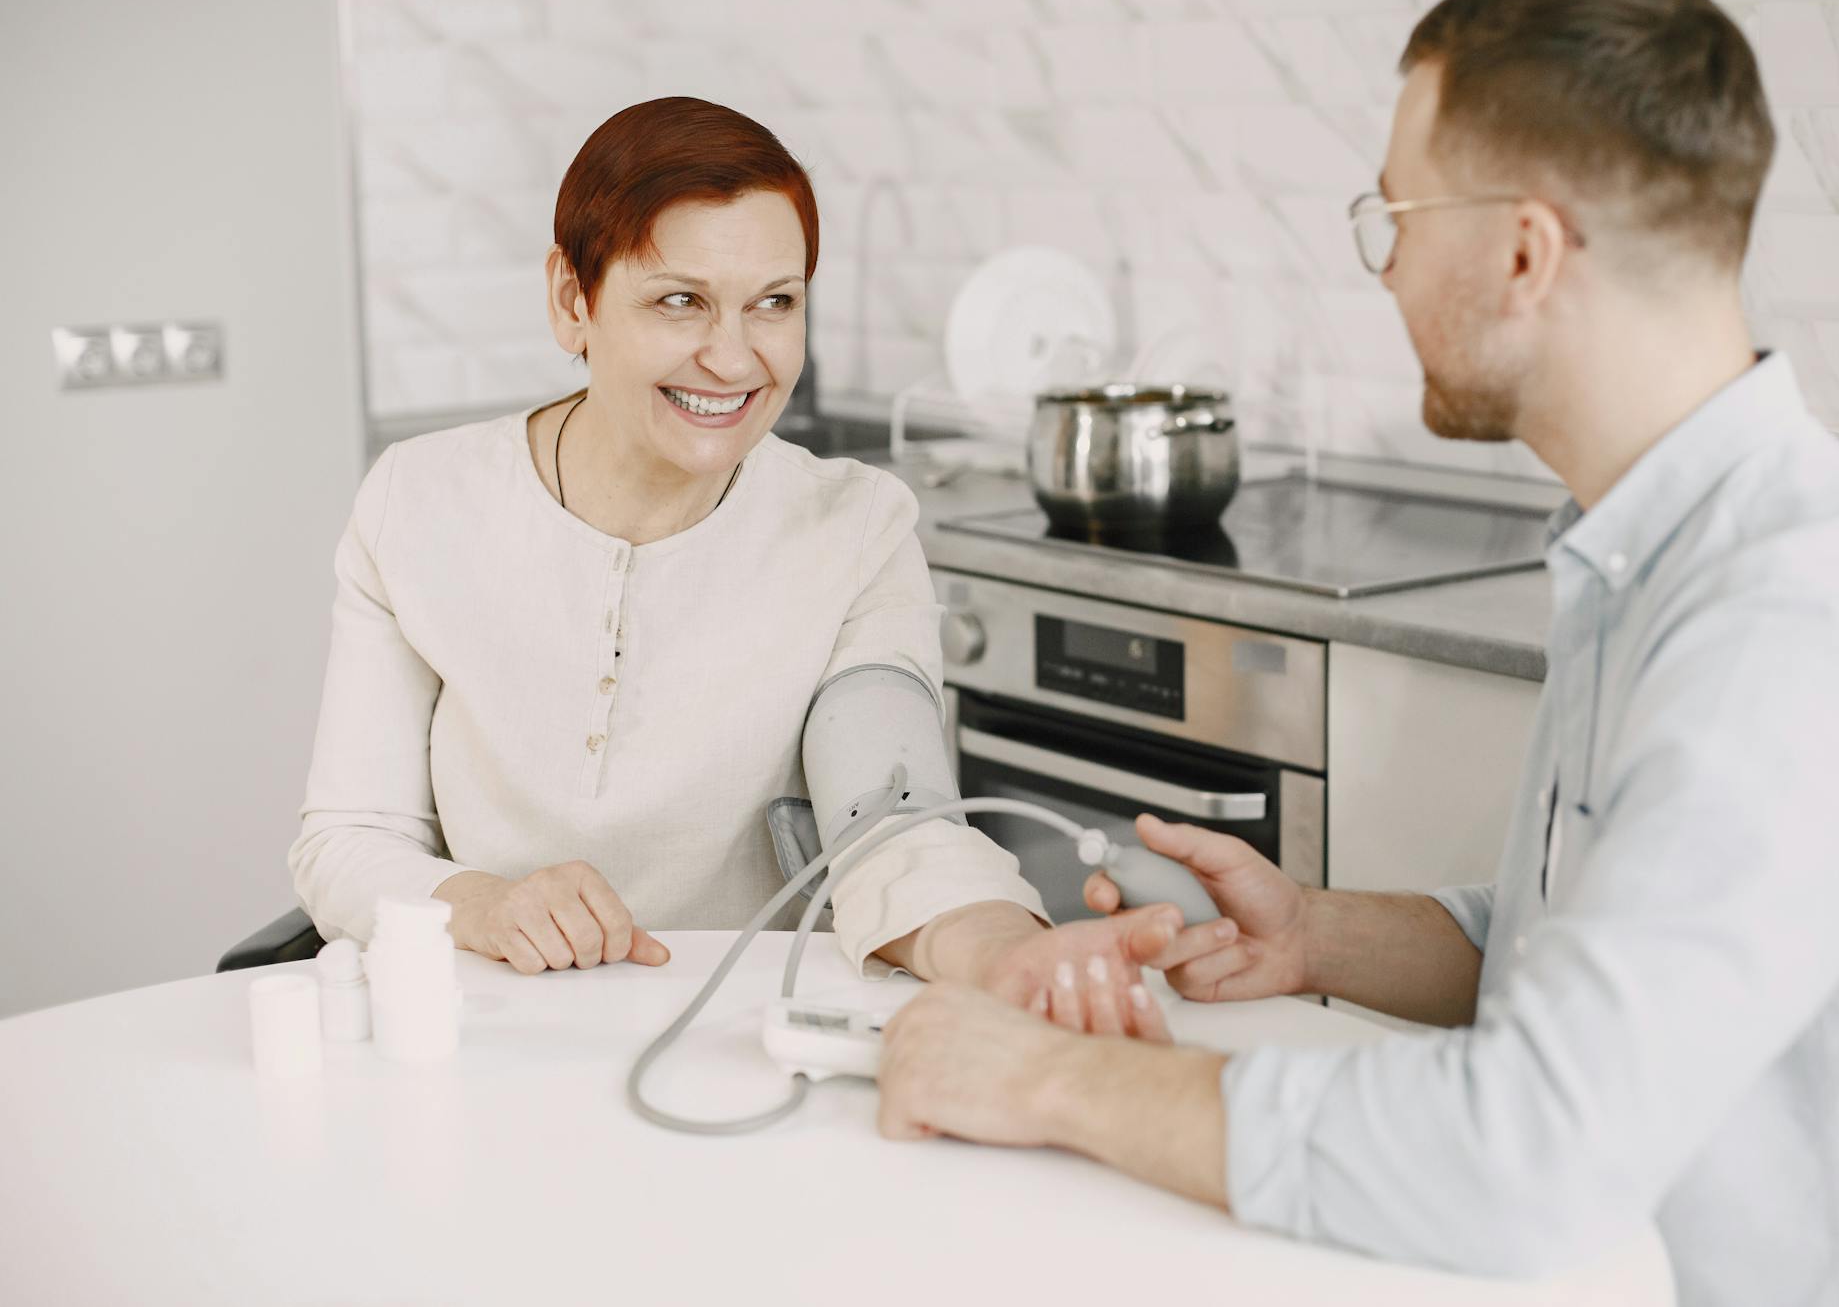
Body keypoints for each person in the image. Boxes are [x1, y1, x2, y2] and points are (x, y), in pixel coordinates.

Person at [872, 0, 1839, 1305]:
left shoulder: (1794, 631)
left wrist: (1055, 1079)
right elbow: (1590, 946)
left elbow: (1525, 1153)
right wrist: (1314, 936)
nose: (1384, 266)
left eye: (1398, 216)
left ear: (1526, 252)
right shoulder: (1651, 549)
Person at [288, 97, 1181, 1033]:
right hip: (482, 1035)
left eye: (775, 304)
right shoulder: (419, 503)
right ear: (571, 301)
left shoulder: (855, 529)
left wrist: (1006, 951)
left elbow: (894, 824)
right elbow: (350, 840)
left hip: (746, 1047)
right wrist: (482, 903)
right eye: (680, 300)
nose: (733, 356)